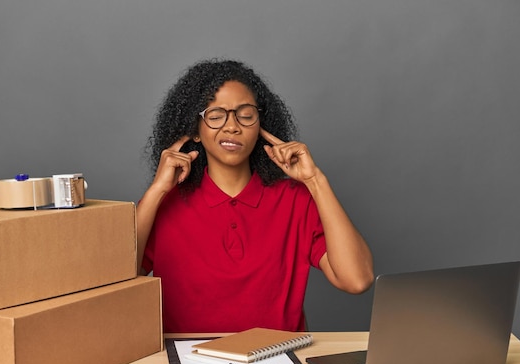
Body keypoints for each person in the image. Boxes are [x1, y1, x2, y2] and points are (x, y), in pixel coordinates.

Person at [138, 59, 373, 333]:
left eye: (245, 114)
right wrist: (156, 192)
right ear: (195, 130)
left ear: (261, 125)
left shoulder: (295, 200)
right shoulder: (164, 204)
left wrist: (315, 180)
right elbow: (116, 281)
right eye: (215, 115)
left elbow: (357, 280)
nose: (232, 126)